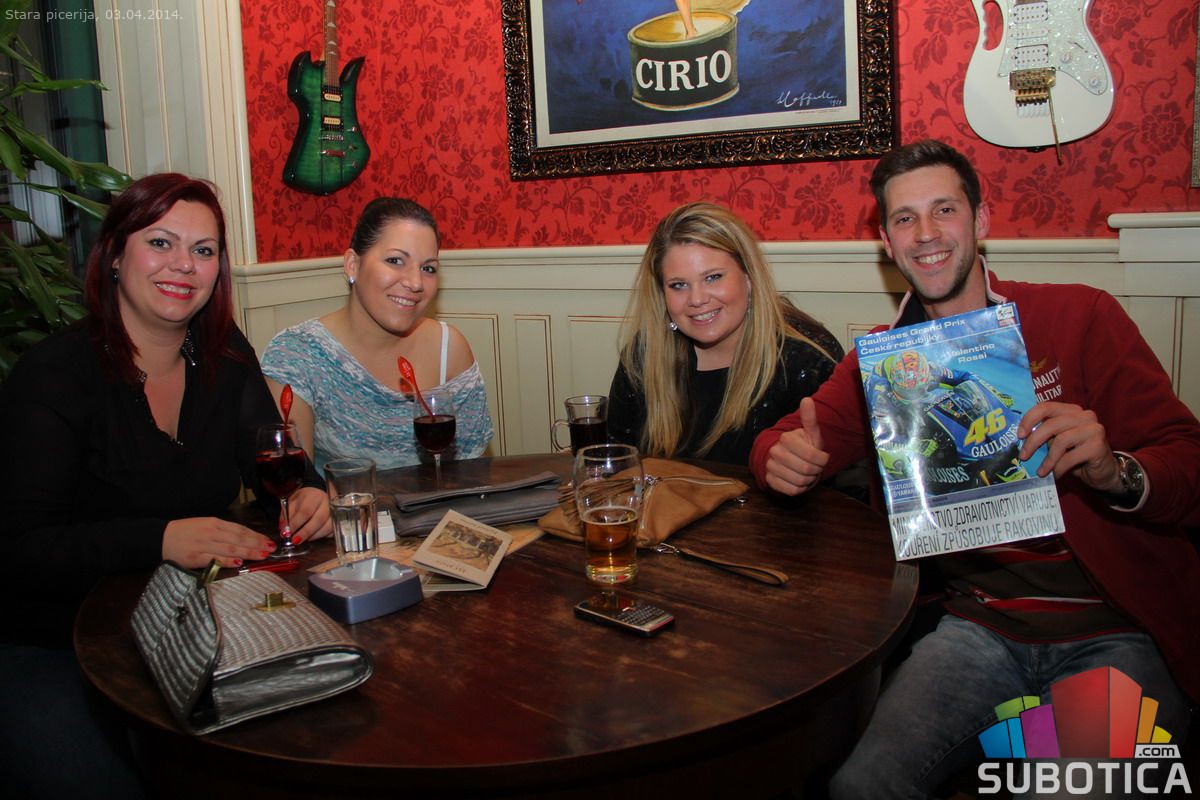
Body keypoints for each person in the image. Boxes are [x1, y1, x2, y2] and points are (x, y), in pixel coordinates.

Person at [750, 140, 1200, 798]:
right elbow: (789, 437)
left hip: (1116, 629)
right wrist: (779, 458)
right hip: (979, 630)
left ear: (981, 219)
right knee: (858, 784)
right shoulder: (886, 361)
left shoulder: (1078, 315)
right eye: (905, 219)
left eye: (944, 210)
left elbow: (1187, 455)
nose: (926, 234)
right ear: (887, 242)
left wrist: (1116, 472)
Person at [0, 173, 330, 796]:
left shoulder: (226, 355)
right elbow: (20, 550)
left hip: (187, 627)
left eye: (203, 250)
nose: (183, 264)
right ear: (114, 255)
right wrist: (161, 539)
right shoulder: (52, 376)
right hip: (51, 641)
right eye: (160, 243)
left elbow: (274, 462)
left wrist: (307, 492)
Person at [261, 198, 492, 473]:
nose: (415, 283)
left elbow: (475, 475)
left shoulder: (450, 349)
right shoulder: (297, 355)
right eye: (395, 261)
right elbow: (297, 487)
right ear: (352, 265)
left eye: (428, 268)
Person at [607, 201, 842, 465]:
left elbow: (849, 478)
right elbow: (616, 465)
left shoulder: (805, 360)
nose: (697, 299)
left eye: (713, 277)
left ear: (748, 277)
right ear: (662, 293)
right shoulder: (644, 356)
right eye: (679, 285)